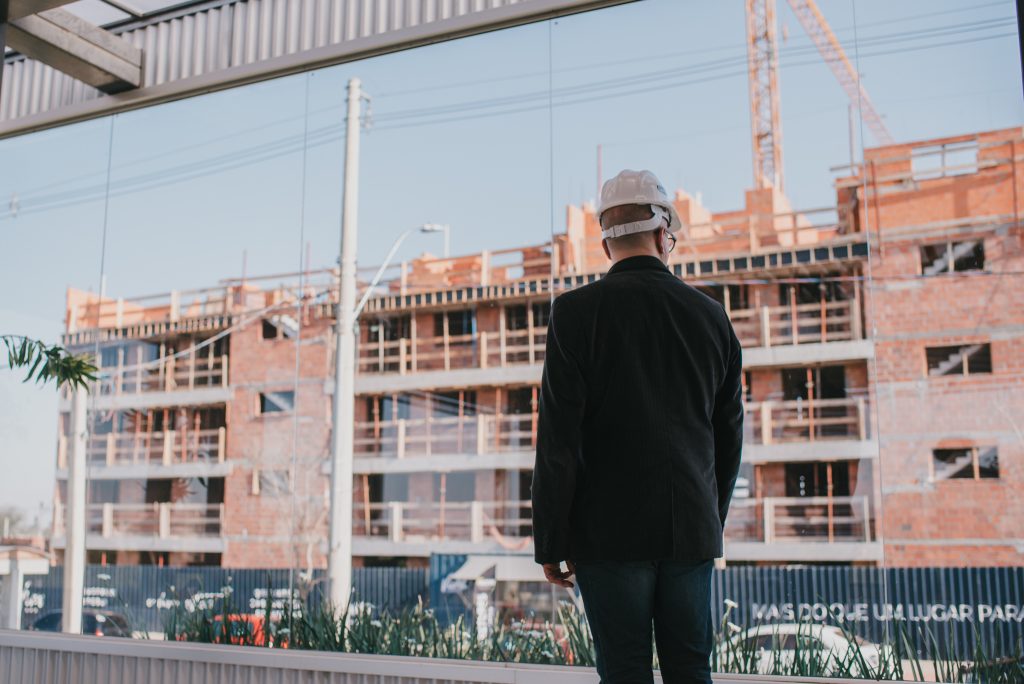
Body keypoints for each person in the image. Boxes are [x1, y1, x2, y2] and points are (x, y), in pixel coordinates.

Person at [531, 169, 744, 684]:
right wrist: (706, 517)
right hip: (690, 529)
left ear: (606, 243)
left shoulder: (575, 315)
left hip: (607, 536)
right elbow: (728, 435)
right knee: (690, 669)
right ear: (663, 232)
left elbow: (557, 440)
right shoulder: (710, 316)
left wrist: (551, 539)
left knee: (624, 673)